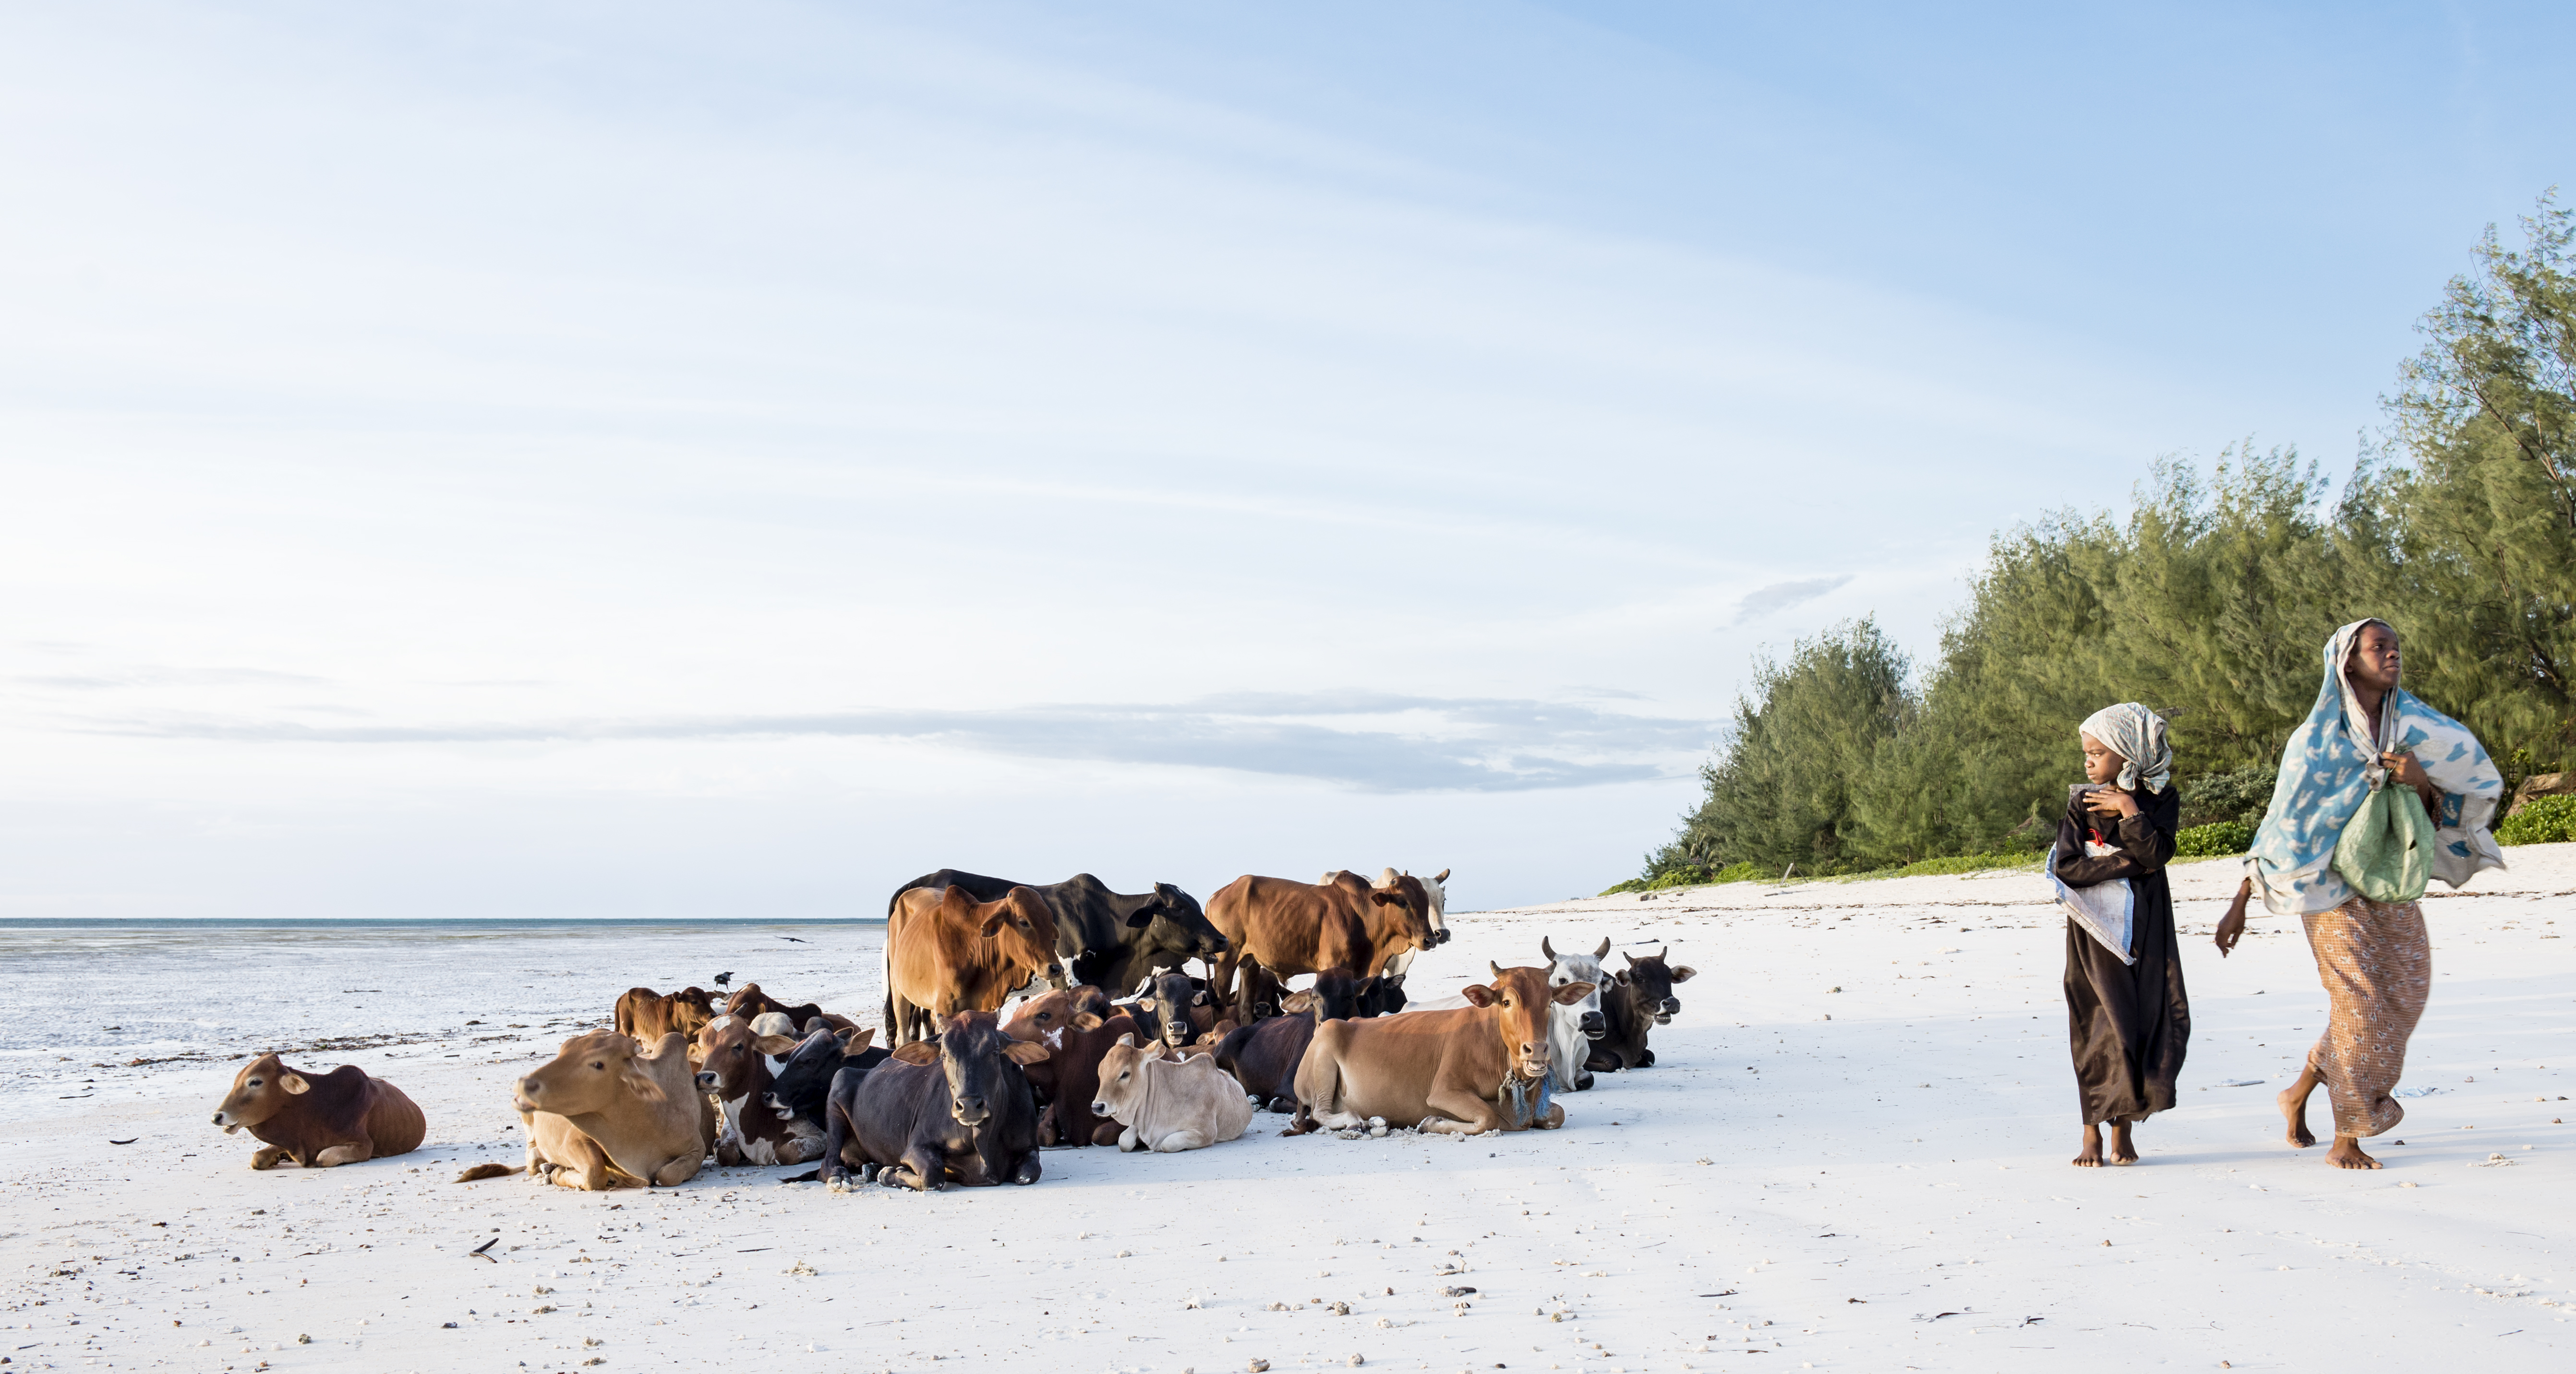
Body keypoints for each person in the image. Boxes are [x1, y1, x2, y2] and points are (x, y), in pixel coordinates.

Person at [2214, 619, 2506, 1169]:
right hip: (2326, 886)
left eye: (2396, 646)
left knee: (2404, 991)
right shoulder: (2314, 741)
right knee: (2360, 1000)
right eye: (2379, 647)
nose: (2392, 654)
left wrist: (2417, 779)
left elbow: (2440, 803)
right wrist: (2240, 900)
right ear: (2346, 661)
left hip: (2389, 878)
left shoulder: (2417, 729)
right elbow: (2281, 824)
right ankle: (2347, 1132)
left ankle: (2297, 1091)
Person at [2050, 703, 2188, 1166]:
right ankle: (2091, 1130)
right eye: (2085, 753)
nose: (2087, 761)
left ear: (2128, 752)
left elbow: (2159, 851)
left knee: (2141, 1018)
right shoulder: (2081, 801)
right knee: (2096, 1021)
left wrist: (2129, 809)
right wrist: (2130, 864)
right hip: (2093, 929)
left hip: (2148, 927)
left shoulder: (2160, 799)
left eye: (2096, 752)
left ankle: (2122, 1128)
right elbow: (2068, 867)